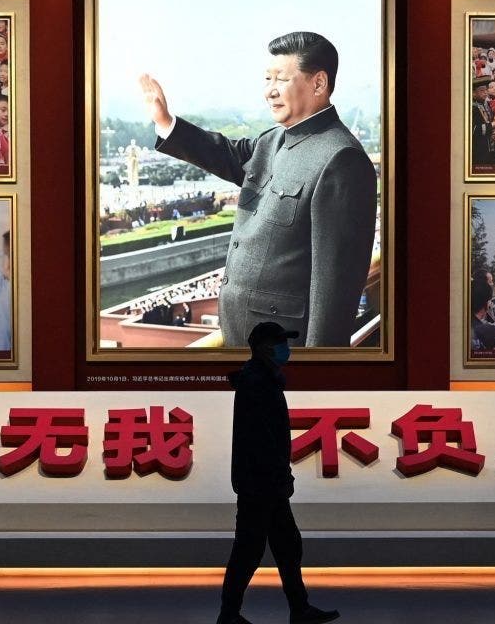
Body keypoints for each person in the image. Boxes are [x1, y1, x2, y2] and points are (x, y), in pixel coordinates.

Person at [141, 31, 377, 347]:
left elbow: (335, 288)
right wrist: (166, 122)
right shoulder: (273, 140)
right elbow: (225, 154)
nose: (270, 91)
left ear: (319, 83)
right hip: (242, 341)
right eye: (267, 79)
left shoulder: (341, 159)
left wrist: (319, 367)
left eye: (281, 79)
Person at [218, 321, 340, 624]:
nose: (286, 349)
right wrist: (279, 476)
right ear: (263, 348)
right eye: (279, 343)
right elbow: (263, 439)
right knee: (250, 550)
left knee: (286, 546)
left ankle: (299, 608)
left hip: (265, 481)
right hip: (261, 483)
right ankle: (230, 614)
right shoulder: (257, 384)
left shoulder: (264, 380)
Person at [470, 75, 495, 166]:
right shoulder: (471, 108)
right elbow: (472, 130)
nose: (485, 92)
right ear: (473, 93)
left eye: (486, 90)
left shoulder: (488, 105)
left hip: (492, 147)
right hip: (479, 149)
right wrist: (492, 125)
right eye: (481, 90)